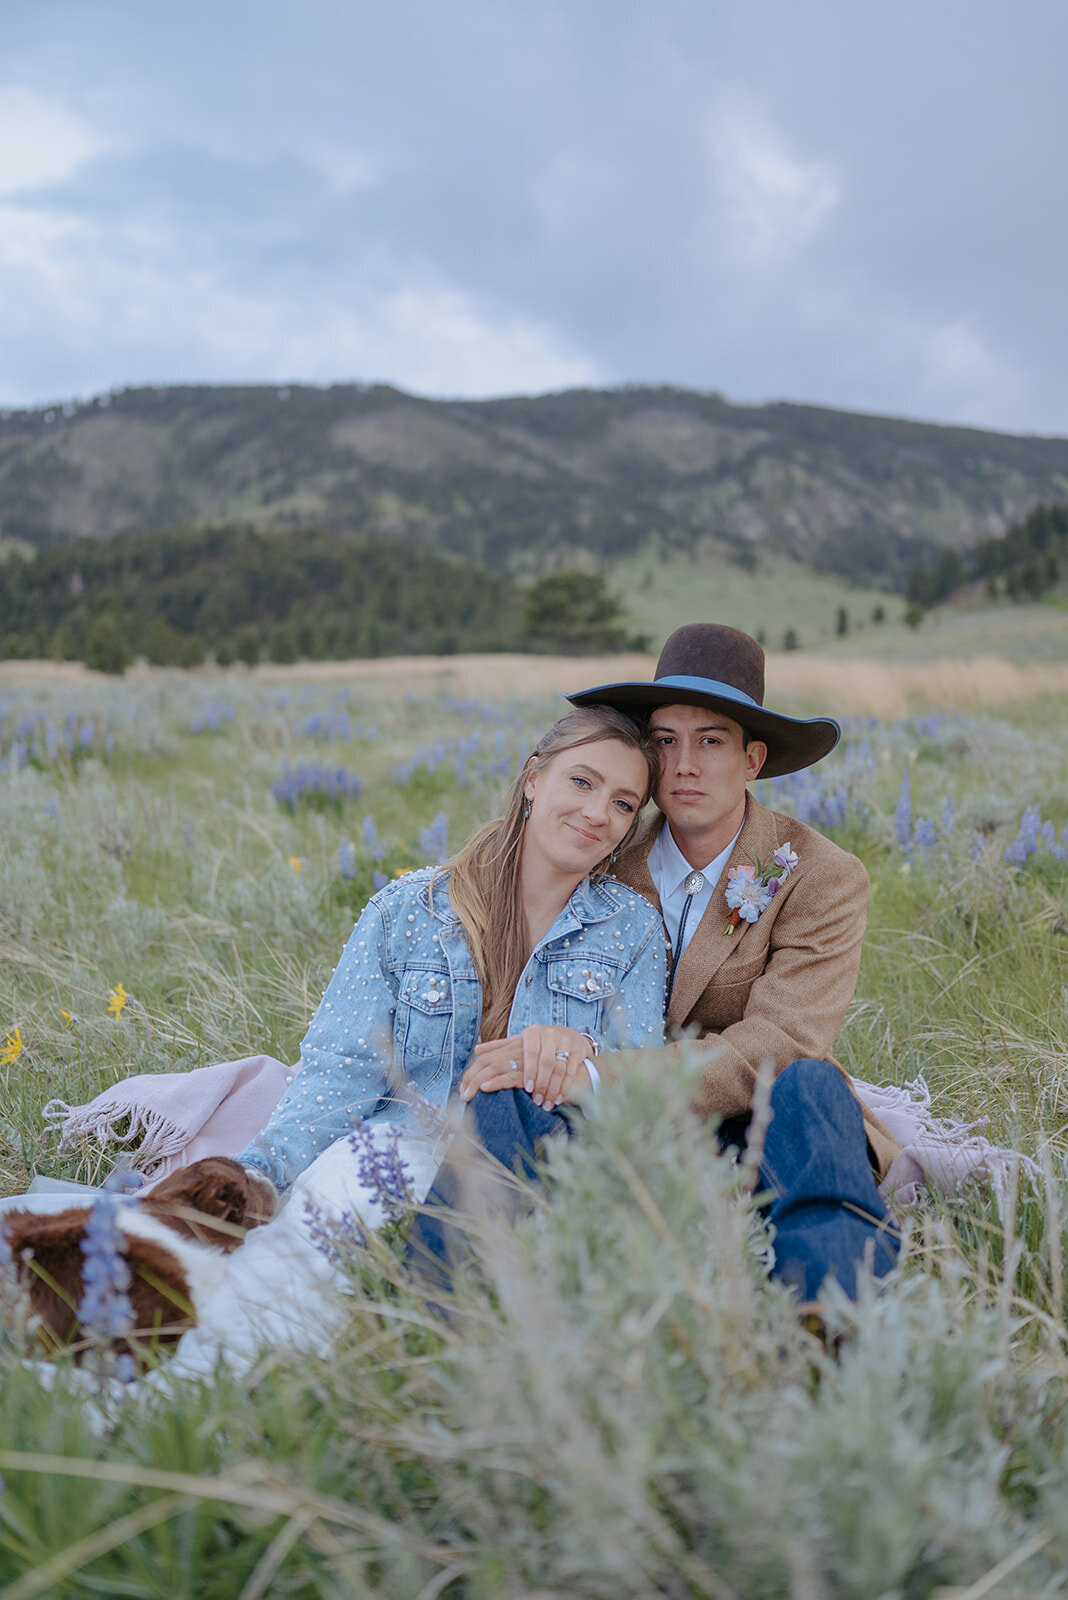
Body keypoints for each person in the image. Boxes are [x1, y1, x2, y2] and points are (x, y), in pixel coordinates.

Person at [48, 704, 668, 1369]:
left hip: (530, 1171)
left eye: (625, 803)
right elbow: (339, 1070)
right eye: (582, 782)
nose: (599, 812)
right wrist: (260, 1170)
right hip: (393, 1150)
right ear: (533, 779)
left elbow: (637, 1077)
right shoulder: (410, 908)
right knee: (273, 1306)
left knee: (451, 1333)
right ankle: (160, 1386)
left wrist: (584, 1057)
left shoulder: (631, 930)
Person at [409, 624, 902, 1309]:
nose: (684, 766)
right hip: (604, 1123)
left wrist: (599, 1075)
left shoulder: (815, 874)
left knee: (812, 1083)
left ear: (753, 758)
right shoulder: (603, 849)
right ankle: (430, 1309)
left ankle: (839, 1315)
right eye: (665, 741)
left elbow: (780, 1043)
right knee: (513, 1084)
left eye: (711, 741)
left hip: (747, 1119)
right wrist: (546, 1056)